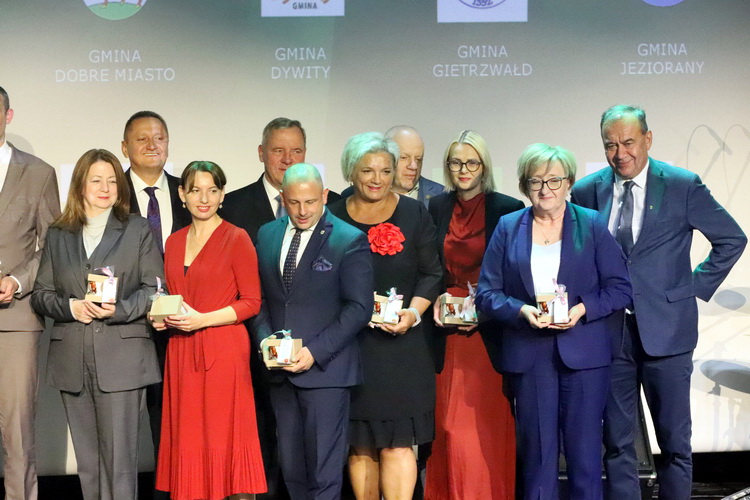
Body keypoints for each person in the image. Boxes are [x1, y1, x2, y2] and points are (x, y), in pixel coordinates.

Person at [570, 105, 747, 500]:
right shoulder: (586, 191)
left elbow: (732, 239)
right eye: (610, 145)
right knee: (617, 443)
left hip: (668, 332)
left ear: (648, 139)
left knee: (674, 443)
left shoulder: (683, 185)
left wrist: (692, 287)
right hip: (610, 334)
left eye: (628, 142)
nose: (620, 154)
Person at [476, 143, 633, 500]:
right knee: (538, 459)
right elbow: (486, 293)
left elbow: (621, 288)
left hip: (585, 357)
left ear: (569, 183)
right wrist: (521, 311)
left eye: (554, 180)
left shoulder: (591, 224)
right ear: (524, 185)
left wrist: (581, 309)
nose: (545, 189)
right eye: (536, 181)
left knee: (585, 458)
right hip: (530, 357)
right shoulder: (508, 227)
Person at [31, 148, 162, 500]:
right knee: (88, 463)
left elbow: (155, 289)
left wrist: (116, 310)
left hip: (122, 359)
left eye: (112, 181)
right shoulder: (59, 233)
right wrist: (71, 307)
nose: (105, 188)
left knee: (120, 464)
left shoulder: (136, 228)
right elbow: (41, 294)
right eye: (96, 181)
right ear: (80, 185)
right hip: (72, 359)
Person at [221, 117, 340, 500]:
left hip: (316, 360)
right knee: (266, 452)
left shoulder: (334, 206)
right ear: (261, 153)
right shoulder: (233, 205)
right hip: (252, 352)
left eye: (296, 151)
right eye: (278, 150)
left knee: (314, 462)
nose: (287, 159)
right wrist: (262, 340)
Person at [328, 132, 442, 500]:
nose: (377, 179)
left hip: (402, 350)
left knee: (397, 444)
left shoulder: (414, 213)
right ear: (351, 172)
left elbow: (432, 274)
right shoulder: (332, 216)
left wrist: (412, 314)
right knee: (360, 444)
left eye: (385, 170)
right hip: (352, 347)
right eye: (367, 170)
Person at [252, 163, 374, 500]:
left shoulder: (348, 239)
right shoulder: (267, 234)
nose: (303, 211)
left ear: (324, 196)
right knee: (292, 471)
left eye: (310, 202)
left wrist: (314, 352)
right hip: (280, 374)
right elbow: (259, 298)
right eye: (294, 202)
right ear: (283, 199)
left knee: (324, 475)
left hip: (325, 373)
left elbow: (359, 307)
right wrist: (265, 341)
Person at [153, 161, 267, 500]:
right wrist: (161, 317)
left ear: (222, 195)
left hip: (223, 350)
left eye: (212, 190)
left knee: (222, 434)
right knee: (188, 435)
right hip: (181, 349)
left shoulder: (237, 237)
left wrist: (203, 320)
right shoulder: (174, 242)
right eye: (196, 190)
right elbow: (172, 295)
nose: (204, 199)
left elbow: (252, 302)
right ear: (182, 195)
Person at [425, 130, 523, 500]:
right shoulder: (436, 207)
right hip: (446, 333)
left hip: (488, 333)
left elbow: (516, 274)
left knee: (483, 430)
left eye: (471, 162)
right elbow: (429, 268)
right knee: (449, 428)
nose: (463, 169)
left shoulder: (508, 208)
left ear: (484, 166)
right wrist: (435, 298)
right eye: (456, 162)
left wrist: (487, 308)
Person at [121, 110, 191, 491]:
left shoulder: (189, 192)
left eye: (159, 138)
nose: (152, 145)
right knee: (124, 430)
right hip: (126, 325)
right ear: (125, 147)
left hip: (182, 326)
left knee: (177, 424)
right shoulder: (110, 192)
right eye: (142, 139)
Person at [0, 85, 60, 500]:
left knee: (17, 428)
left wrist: (18, 280)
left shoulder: (38, 173)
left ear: (8, 115)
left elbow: (52, 244)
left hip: (16, 319)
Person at [342, 126, 443, 207]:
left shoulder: (441, 196)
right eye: (404, 157)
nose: (414, 166)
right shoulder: (350, 195)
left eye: (418, 159)